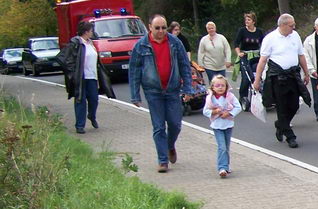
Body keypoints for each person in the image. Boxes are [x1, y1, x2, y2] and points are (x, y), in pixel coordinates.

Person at [129, 14, 193, 173]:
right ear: (150, 27)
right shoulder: (141, 46)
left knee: (175, 124)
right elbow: (134, 71)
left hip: (172, 90)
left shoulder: (175, 43)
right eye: (157, 28)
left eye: (163, 28)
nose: (161, 31)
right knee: (158, 127)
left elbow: (185, 65)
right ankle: (162, 160)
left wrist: (188, 88)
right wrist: (135, 95)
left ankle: (170, 145)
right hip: (153, 91)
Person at [253, 13, 311, 149]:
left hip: (292, 75)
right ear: (283, 25)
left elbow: (301, 55)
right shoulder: (270, 38)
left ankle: (280, 125)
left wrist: (306, 73)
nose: (294, 27)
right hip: (277, 77)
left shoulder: (295, 36)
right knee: (281, 106)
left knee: (294, 105)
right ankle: (290, 136)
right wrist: (257, 80)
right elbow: (262, 61)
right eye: (291, 25)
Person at [61, 20, 116, 134]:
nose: (92, 33)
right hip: (81, 77)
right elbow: (66, 60)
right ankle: (79, 125)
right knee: (80, 100)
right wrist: (73, 73)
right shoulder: (75, 43)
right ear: (86, 32)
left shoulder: (91, 43)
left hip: (92, 76)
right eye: (91, 31)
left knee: (94, 99)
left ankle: (91, 115)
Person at [202, 74, 240, 178]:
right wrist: (214, 112)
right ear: (213, 87)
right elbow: (205, 111)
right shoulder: (210, 98)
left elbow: (238, 107)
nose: (220, 88)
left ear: (226, 87)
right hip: (217, 125)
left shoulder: (230, 97)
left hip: (228, 124)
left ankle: (226, 166)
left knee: (226, 147)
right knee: (222, 147)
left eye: (222, 85)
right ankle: (222, 167)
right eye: (217, 85)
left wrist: (229, 113)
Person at [234, 12, 265, 111]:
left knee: (260, 76)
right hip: (245, 56)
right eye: (246, 20)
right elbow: (236, 43)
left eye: (249, 20)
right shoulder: (242, 31)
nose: (246, 22)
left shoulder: (259, 31)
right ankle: (243, 97)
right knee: (246, 78)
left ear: (253, 21)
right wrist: (239, 53)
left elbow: (263, 43)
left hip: (257, 56)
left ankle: (262, 94)